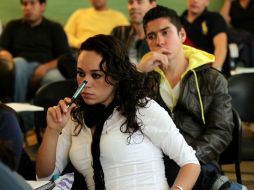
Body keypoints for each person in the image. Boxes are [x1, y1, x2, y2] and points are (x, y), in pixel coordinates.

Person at [36, 34, 201, 190]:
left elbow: (190, 163)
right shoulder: (75, 116)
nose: (85, 83)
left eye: (96, 75)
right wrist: (53, 130)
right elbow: (44, 176)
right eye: (81, 73)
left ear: (115, 76)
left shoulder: (142, 108)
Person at [137, 5, 242, 189]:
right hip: (153, 161)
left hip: (199, 159)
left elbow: (222, 131)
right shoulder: (145, 78)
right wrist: (138, 73)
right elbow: (120, 115)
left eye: (165, 33)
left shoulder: (212, 78)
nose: (159, 42)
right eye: (151, 36)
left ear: (182, 35)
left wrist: (186, 157)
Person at [0, 0, 71, 102]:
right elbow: (2, 48)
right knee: (19, 62)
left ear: (42, 6)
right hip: (20, 67)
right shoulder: (12, 26)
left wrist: (44, 68)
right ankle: (18, 105)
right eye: (24, 4)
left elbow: (64, 56)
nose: (27, 8)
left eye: (32, 3)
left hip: (47, 68)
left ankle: (36, 110)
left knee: (55, 78)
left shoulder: (55, 28)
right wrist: (5, 54)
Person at [181, 0, 228, 72]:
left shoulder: (215, 18)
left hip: (208, 70)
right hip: (183, 71)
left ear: (207, 2)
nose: (195, 1)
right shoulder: (177, 22)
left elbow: (221, 47)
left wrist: (215, 72)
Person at [64, 0, 129, 50]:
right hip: (80, 51)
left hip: (107, 54)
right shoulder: (79, 14)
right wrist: (77, 43)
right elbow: (66, 34)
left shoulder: (119, 17)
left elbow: (128, 38)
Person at [111, 0, 156, 65]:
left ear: (152, 5)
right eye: (131, 2)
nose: (134, 6)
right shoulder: (118, 32)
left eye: (139, 2)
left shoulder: (160, 38)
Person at [220, 0, 254, 67]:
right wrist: (227, 2)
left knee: (245, 45)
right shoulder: (234, 4)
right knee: (224, 32)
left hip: (250, 35)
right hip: (237, 35)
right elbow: (222, 21)